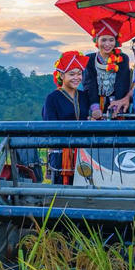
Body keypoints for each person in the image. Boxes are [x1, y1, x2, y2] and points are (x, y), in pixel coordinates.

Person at [43, 51, 93, 184]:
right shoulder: (52, 98)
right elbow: (50, 127)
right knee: (60, 190)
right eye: (71, 74)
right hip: (60, 152)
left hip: (83, 152)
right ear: (61, 75)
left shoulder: (84, 97)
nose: (76, 77)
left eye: (79, 74)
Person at [81, 18, 132, 119]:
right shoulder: (89, 59)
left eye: (111, 40)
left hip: (116, 102)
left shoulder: (123, 58)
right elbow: (90, 84)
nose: (107, 44)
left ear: (116, 41)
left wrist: (117, 103)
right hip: (94, 102)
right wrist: (94, 106)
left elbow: (122, 83)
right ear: (97, 40)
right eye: (103, 40)